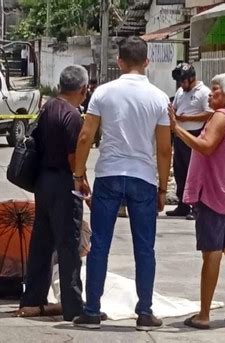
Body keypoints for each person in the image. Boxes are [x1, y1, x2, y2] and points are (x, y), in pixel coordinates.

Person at [72, 36, 172, 331]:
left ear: (119, 62)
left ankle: (91, 310)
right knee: (145, 248)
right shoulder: (158, 98)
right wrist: (163, 188)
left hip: (109, 175)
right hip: (143, 178)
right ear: (147, 63)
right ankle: (145, 312)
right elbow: (165, 149)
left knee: (100, 244)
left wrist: (79, 174)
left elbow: (85, 136)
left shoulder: (103, 93)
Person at [168, 73, 225, 330]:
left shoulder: (222, 116)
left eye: (215, 90)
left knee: (212, 254)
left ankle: (203, 314)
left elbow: (206, 146)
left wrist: (177, 130)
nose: (210, 94)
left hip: (214, 196)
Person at [14, 65, 88, 321]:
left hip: (43, 182)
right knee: (68, 244)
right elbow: (72, 157)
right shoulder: (73, 117)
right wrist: (81, 180)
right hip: (64, 183)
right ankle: (73, 305)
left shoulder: (47, 108)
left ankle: (33, 298)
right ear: (83, 89)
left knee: (41, 243)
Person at [166, 63, 212, 220]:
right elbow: (175, 107)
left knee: (195, 171)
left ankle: (196, 206)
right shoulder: (180, 91)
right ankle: (183, 204)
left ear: (192, 78)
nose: (182, 84)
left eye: (184, 81)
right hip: (180, 134)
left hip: (195, 134)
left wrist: (187, 118)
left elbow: (209, 114)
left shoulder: (204, 92)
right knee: (180, 170)